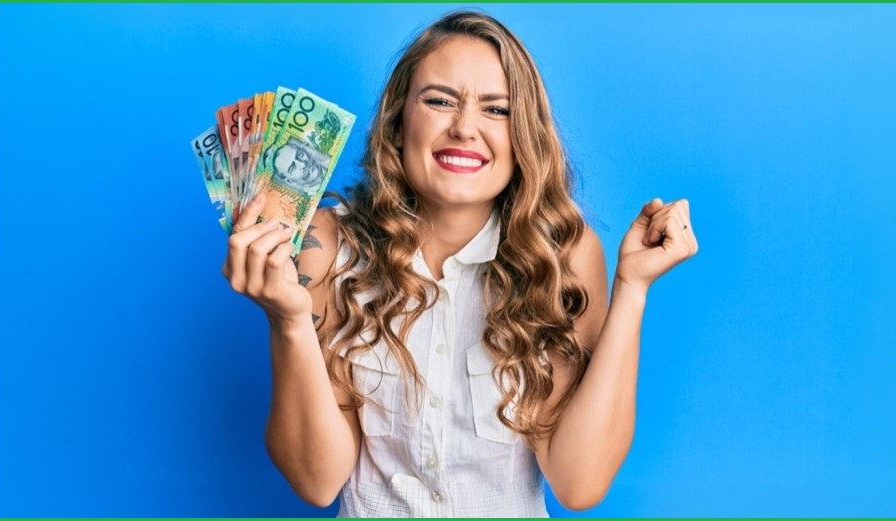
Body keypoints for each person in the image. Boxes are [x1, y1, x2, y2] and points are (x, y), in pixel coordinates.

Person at [222, 10, 697, 517]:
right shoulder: (326, 245)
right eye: (439, 101)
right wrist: (288, 322)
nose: (465, 127)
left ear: (523, 139)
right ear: (399, 122)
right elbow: (317, 481)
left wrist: (632, 289)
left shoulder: (564, 255)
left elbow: (579, 484)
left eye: (497, 110)